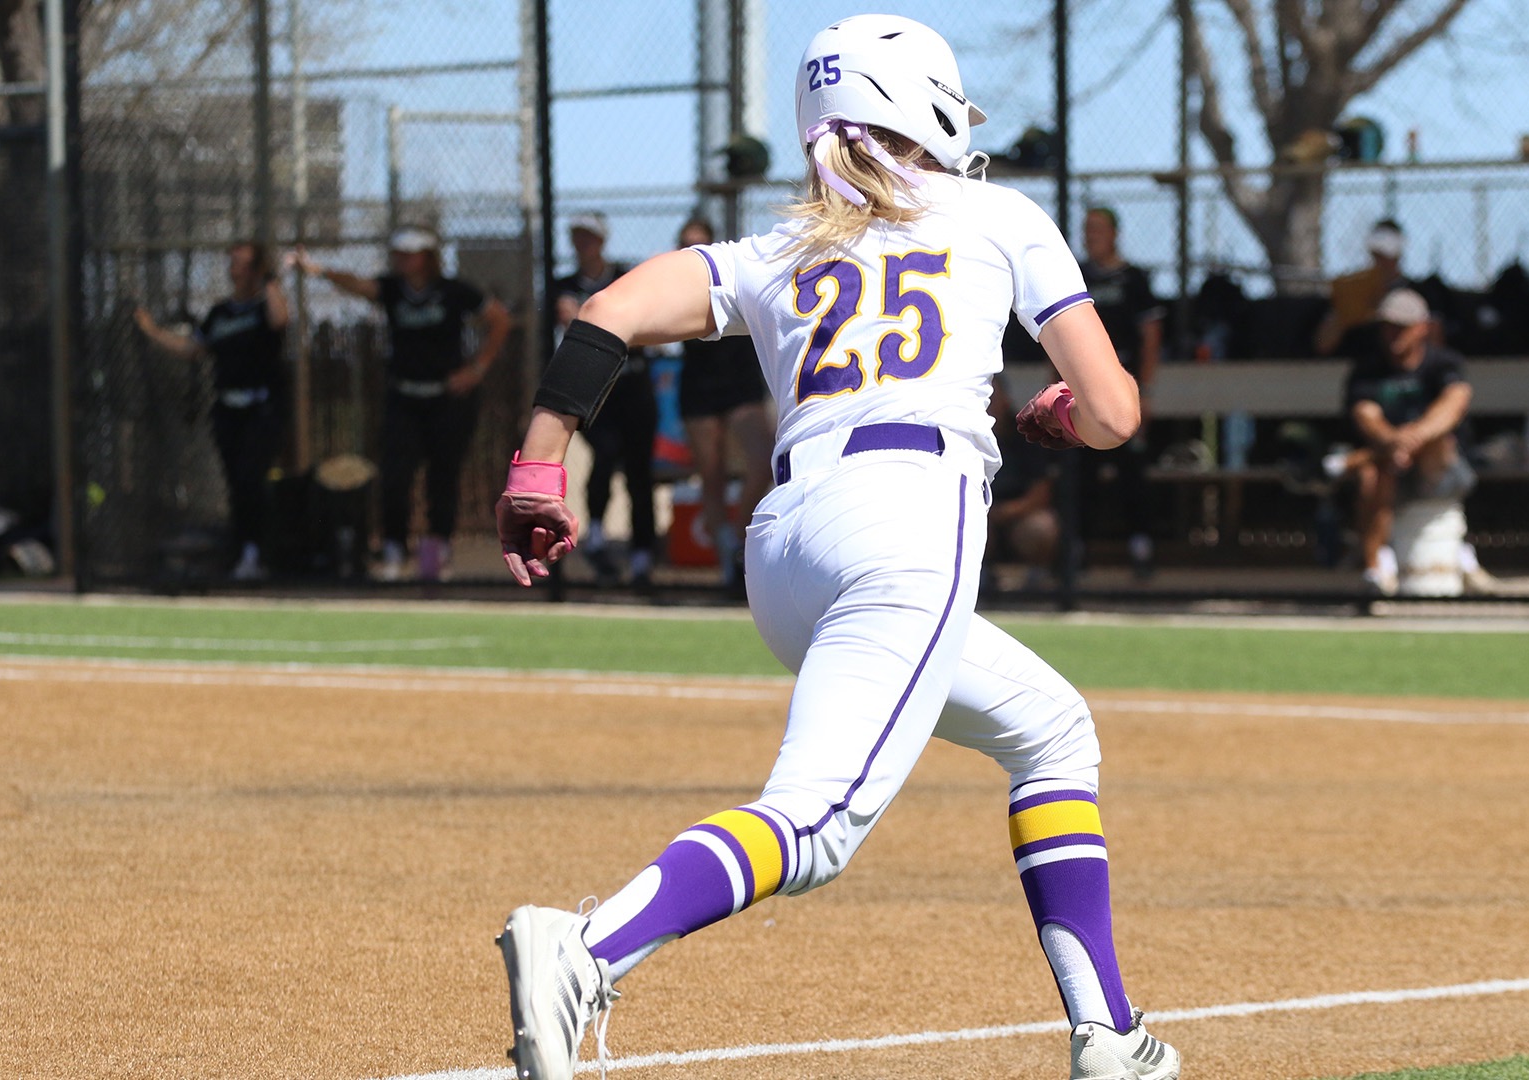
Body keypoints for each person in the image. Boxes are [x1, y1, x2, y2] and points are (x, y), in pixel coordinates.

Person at [489, 15, 1178, 1080]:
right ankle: (585, 949)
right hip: (908, 514)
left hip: (789, 548)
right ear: (927, 109)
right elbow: (1117, 412)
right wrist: (1049, 418)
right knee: (813, 829)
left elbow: (608, 313)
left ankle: (1110, 1036)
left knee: (1051, 731)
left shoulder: (779, 247)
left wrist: (539, 463)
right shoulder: (997, 213)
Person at [287, 228, 512, 582]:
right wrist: (318, 270)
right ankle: (394, 548)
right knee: (395, 476)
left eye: (411, 253)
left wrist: (476, 369)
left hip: (447, 400)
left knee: (443, 477)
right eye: (399, 253)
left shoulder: (454, 292)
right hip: (405, 398)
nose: (403, 259)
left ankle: (438, 553)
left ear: (428, 256)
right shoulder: (393, 289)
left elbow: (499, 319)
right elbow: (359, 285)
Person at [133, 241, 289, 581]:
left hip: (261, 408)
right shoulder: (220, 313)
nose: (236, 270)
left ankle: (257, 552)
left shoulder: (266, 305)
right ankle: (242, 551)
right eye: (233, 263)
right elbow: (194, 348)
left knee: (252, 478)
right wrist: (152, 331)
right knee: (235, 482)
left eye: (244, 264)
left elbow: (280, 319)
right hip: (228, 409)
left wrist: (270, 280)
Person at [1341, 288, 1475, 595]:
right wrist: (1393, 442)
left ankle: (1459, 552)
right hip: (1390, 469)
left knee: (1437, 439)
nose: (1392, 334)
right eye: (1387, 326)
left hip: (1440, 470)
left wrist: (1412, 440)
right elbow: (1367, 417)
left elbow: (1455, 403)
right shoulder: (1367, 369)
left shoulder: (1444, 363)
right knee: (1371, 472)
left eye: (1401, 326)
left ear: (1422, 327)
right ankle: (1375, 569)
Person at [555, 212, 660, 589]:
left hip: (632, 387)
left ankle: (642, 552)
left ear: (602, 240)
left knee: (639, 472)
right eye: (576, 236)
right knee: (604, 454)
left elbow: (646, 323)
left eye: (589, 236)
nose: (583, 243)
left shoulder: (624, 278)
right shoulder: (563, 287)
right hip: (594, 391)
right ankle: (596, 536)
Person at [674, 217, 773, 587]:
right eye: (684, 243)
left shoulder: (733, 271)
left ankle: (741, 540)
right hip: (699, 386)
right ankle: (728, 559)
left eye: (698, 242)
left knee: (764, 459)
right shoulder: (674, 284)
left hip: (740, 380)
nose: (690, 249)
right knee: (711, 475)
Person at [1079, 205, 1163, 575]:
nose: (1091, 236)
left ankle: (1141, 549)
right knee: (1080, 471)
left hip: (1124, 386)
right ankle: (1075, 552)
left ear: (1115, 233)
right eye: (1087, 229)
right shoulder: (1077, 277)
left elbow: (1151, 337)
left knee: (1132, 471)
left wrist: (1143, 391)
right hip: (1082, 388)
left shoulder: (1134, 280)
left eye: (1098, 229)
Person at [985, 376, 1061, 590]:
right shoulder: (961, 434)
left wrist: (1007, 511)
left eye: (992, 398)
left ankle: (1037, 580)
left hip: (1018, 514)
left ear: (1005, 400)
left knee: (1042, 527)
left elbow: (1042, 491)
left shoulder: (1024, 433)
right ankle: (977, 578)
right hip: (979, 513)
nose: (987, 405)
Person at [1315, 219, 1406, 357]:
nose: (1381, 262)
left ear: (1398, 256)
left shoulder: (1412, 293)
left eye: (1385, 256)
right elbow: (1323, 344)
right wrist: (1344, 314)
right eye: (1377, 255)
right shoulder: (1355, 291)